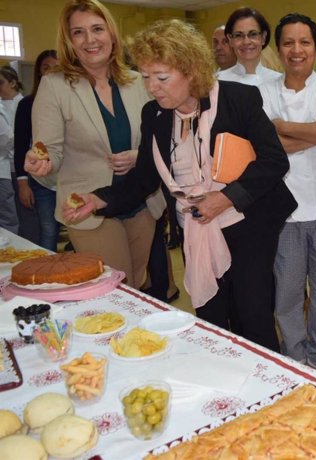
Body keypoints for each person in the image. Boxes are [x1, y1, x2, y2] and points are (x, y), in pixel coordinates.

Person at [62, 19, 296, 352]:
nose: (152, 88)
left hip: (248, 226)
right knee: (210, 316)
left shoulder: (238, 99)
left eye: (161, 77)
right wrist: (100, 200)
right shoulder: (154, 115)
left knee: (252, 314)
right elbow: (144, 177)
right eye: (145, 77)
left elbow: (274, 161)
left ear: (191, 70)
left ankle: (269, 389)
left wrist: (225, 198)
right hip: (196, 228)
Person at [25, 0, 165, 288]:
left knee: (136, 284)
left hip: (141, 202)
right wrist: (43, 164)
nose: (90, 40)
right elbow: (49, 152)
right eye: (78, 32)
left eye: (97, 29)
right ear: (69, 41)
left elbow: (160, 140)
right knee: (115, 287)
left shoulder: (139, 82)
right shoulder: (55, 86)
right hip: (88, 208)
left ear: (111, 34)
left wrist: (139, 156)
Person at [260, 13, 316, 381]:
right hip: (282, 210)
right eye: (288, 43)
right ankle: (294, 353)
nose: (296, 50)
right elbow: (265, 146)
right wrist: (313, 131)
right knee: (287, 288)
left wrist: (282, 127)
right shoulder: (264, 91)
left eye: (304, 43)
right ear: (279, 49)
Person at [14, 50, 60, 251]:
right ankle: (46, 275)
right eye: (46, 67)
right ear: (39, 72)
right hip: (43, 180)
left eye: (56, 67)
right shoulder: (27, 104)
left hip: (72, 177)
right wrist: (23, 183)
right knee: (49, 229)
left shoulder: (71, 101)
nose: (51, 71)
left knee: (80, 233)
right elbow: (21, 145)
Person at [218, 7, 281, 87]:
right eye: (238, 35)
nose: (246, 42)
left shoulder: (279, 82)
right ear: (230, 40)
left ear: (263, 38)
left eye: (253, 34)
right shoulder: (218, 81)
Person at [0, 66, 22, 234]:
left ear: (13, 83)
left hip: (21, 166)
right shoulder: (1, 104)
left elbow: (10, 137)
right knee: (9, 213)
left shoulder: (23, 103)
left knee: (20, 214)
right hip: (6, 165)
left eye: (1, 83)